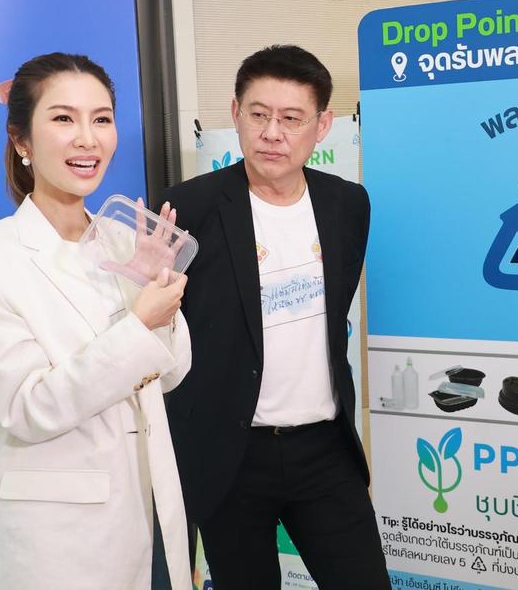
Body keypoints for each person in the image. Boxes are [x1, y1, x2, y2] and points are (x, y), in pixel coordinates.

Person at [0, 53, 193, 589]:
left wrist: (154, 295)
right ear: (22, 141)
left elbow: (171, 374)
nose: (88, 138)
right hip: (56, 542)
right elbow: (27, 408)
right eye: (63, 118)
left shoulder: (125, 240)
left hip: (149, 509)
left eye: (101, 119)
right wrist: (139, 323)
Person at [161, 45, 390, 588]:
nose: (272, 133)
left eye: (291, 119)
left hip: (324, 449)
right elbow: (163, 327)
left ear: (322, 125)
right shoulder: (186, 208)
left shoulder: (347, 204)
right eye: (259, 114)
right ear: (236, 113)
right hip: (230, 454)